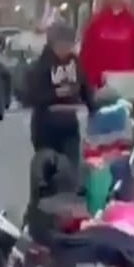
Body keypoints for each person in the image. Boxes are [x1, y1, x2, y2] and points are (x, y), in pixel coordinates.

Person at [24, 20, 92, 164]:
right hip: (45, 126)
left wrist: (92, 104)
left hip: (69, 125)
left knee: (71, 165)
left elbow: (84, 85)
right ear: (52, 44)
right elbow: (33, 95)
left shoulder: (74, 61)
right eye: (61, 46)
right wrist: (55, 94)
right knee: (47, 168)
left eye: (69, 45)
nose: (65, 50)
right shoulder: (42, 65)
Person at [78, 0, 134, 90]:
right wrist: (90, 83)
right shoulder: (96, 22)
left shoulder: (131, 24)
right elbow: (86, 55)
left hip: (125, 89)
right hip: (101, 88)